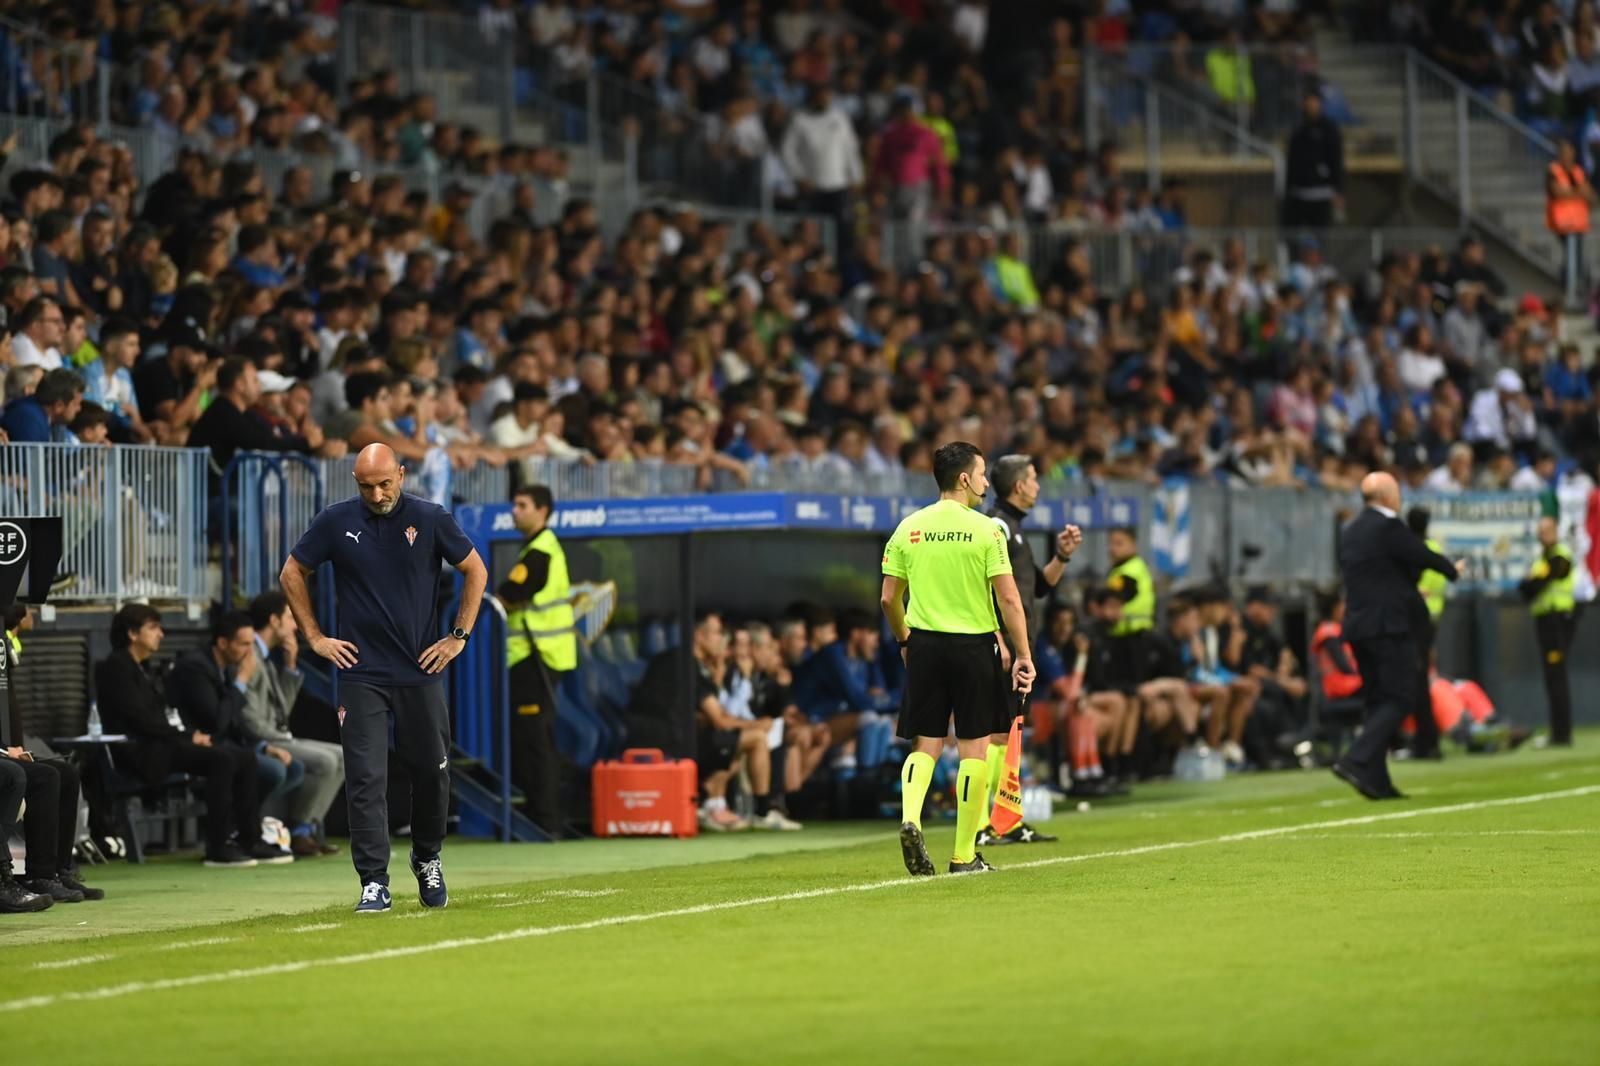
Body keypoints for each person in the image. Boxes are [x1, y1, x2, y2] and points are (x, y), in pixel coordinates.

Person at [280, 443, 488, 912]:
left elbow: (475, 569)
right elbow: (293, 572)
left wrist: (458, 636)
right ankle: (373, 880)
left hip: (420, 671)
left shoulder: (431, 518)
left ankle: (427, 856)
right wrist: (315, 637)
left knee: (432, 776)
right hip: (361, 673)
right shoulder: (335, 520)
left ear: (402, 473)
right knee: (365, 779)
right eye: (365, 486)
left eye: (383, 483)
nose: (375, 494)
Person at [881, 441, 1035, 876]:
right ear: (965, 478)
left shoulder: (909, 527)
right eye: (983, 473)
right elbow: (1008, 596)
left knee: (925, 742)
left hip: (925, 644)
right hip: (973, 646)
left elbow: (889, 597)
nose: (986, 482)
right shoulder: (986, 530)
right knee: (974, 748)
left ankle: (911, 817)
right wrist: (1022, 654)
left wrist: (905, 640)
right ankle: (964, 855)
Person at [94, 603, 281, 867]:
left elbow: (158, 719)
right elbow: (140, 721)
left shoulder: (142, 667)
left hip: (161, 745)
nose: (160, 634)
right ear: (132, 633)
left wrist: (187, 736)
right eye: (153, 627)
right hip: (140, 752)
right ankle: (217, 847)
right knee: (221, 760)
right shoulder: (116, 668)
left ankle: (250, 839)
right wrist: (186, 738)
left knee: (244, 757)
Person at [1334, 472, 1460, 799]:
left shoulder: (1350, 532)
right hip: (1388, 627)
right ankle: (1356, 758)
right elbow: (1419, 553)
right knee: (1400, 696)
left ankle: (1376, 780)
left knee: (1377, 700)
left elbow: (1384, 570)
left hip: (1358, 627)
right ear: (1389, 496)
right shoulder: (1389, 527)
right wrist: (1451, 569)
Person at [977, 454, 1080, 848]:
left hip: (1020, 650)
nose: (1038, 485)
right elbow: (986, 587)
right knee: (996, 736)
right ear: (1019, 486)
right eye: (1034, 478)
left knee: (1011, 734)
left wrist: (1062, 556)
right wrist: (999, 639)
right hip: (1003, 649)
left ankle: (1006, 820)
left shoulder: (1016, 530)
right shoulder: (997, 526)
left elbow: (1035, 587)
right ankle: (987, 824)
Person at [495, 484, 576, 837]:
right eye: (514, 504)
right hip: (538, 657)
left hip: (536, 657)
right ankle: (541, 813)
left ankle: (544, 819)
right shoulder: (541, 548)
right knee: (534, 738)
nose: (515, 511)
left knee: (535, 739)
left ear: (542, 510)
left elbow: (509, 595)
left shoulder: (539, 552)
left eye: (522, 505)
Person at [242, 591, 346, 857]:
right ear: (273, 620)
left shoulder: (266, 655)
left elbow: (281, 712)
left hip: (277, 734)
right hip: (262, 739)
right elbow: (246, 716)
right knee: (325, 761)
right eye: (290, 617)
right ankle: (298, 830)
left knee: (342, 756)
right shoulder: (248, 653)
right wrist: (278, 738)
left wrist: (290, 666)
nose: (295, 625)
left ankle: (308, 828)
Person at [1518, 516, 1575, 746]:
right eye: (1541, 531)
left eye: (1548, 530)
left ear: (1556, 531)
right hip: (1544, 620)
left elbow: (1537, 584)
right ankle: (1557, 731)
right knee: (1552, 678)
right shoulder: (1541, 560)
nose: (1544, 535)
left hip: (1556, 621)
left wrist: (1533, 581)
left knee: (1557, 675)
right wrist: (1532, 581)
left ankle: (1562, 733)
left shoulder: (1561, 556)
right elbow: (1525, 588)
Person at [1407, 507, 1448, 759]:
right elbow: (1440, 582)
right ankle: (1425, 739)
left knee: (1416, 680)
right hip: (1429, 620)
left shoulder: (1412, 551)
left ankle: (1426, 740)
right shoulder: (1433, 550)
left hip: (1415, 622)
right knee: (1419, 679)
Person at [1282, 89, 1344, 229]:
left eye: (1314, 102)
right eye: (1308, 102)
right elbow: (1292, 161)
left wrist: (1339, 190)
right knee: (1295, 236)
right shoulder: (1299, 129)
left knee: (1320, 236)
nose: (1311, 106)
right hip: (1299, 193)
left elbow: (1336, 160)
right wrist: (1289, 189)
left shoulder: (1329, 129)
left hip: (1322, 193)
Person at [1546, 138, 1594, 297]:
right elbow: (1558, 192)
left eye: (1570, 151)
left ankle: (1577, 287)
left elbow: (1590, 195)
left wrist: (1572, 193)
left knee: (1576, 255)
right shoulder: (1554, 170)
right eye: (1564, 152)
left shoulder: (1579, 171)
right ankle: (1570, 287)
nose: (1567, 155)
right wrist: (1577, 193)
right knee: (1572, 254)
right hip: (1562, 222)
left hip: (1578, 222)